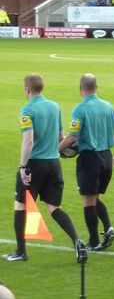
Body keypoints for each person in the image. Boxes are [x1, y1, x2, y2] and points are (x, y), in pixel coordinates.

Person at [3, 74, 82, 262]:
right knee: (54, 207)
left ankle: (21, 252)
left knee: (20, 204)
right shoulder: (54, 107)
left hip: (34, 165)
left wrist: (23, 166)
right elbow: (61, 137)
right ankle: (78, 241)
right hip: (53, 163)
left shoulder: (27, 109)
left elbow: (28, 140)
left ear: (27, 89)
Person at [58, 74, 114, 252]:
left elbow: (72, 137)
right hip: (106, 156)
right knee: (94, 197)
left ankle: (93, 241)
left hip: (90, 159)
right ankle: (108, 228)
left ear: (80, 89)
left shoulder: (80, 109)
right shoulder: (109, 106)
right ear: (96, 87)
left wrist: (56, 150)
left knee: (88, 201)